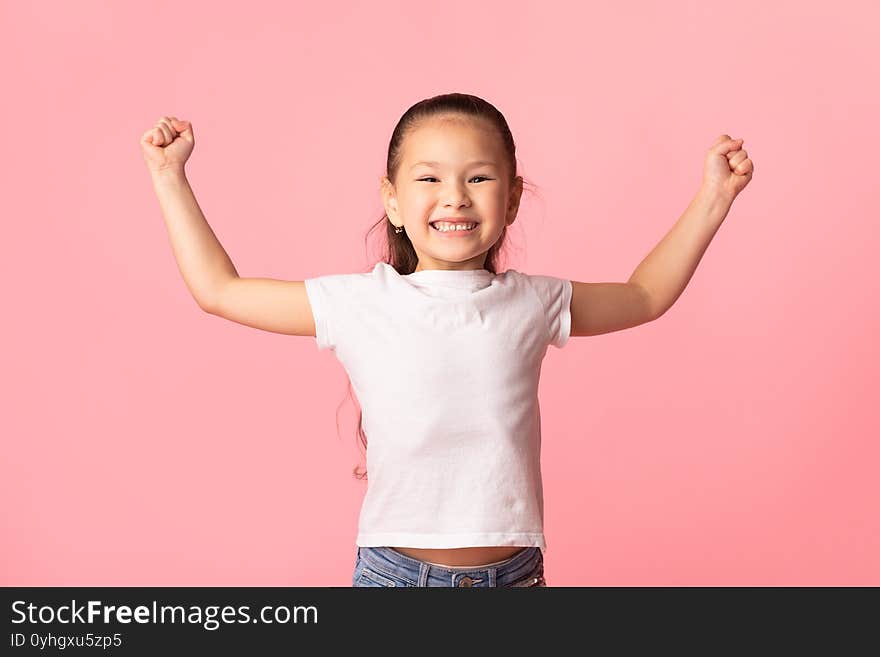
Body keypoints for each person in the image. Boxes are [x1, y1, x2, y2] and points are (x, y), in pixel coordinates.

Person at [139, 93, 754, 587]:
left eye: (479, 177)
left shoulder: (533, 301)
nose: (455, 195)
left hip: (515, 577)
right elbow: (218, 289)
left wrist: (714, 197)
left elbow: (645, 295)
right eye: (429, 177)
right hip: (395, 578)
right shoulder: (360, 303)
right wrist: (170, 177)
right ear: (393, 200)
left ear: (512, 199)